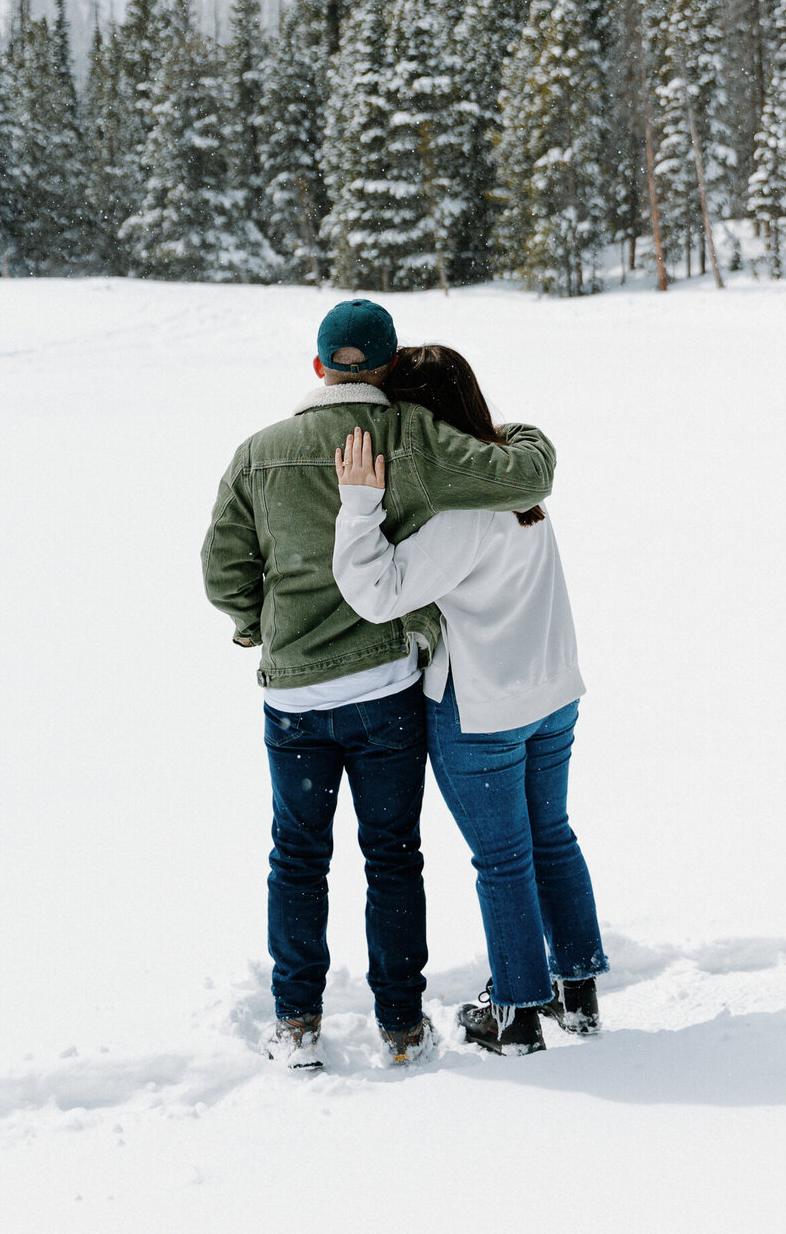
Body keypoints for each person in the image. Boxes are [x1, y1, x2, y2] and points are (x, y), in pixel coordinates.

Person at [201, 301, 556, 1069]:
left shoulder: (260, 453)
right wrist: (523, 434)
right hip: (386, 689)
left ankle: (297, 1026)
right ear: (391, 368)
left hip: (293, 699)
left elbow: (223, 569)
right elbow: (527, 475)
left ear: (320, 367)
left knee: (296, 857)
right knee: (393, 854)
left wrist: (257, 628)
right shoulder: (415, 438)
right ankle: (401, 1024)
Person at [332, 344, 606, 1055]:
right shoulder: (523, 493)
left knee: (505, 861)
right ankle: (578, 991)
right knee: (554, 838)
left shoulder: (460, 514)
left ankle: (514, 1015)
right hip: (553, 696)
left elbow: (378, 592)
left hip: (483, 711)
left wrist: (360, 507)